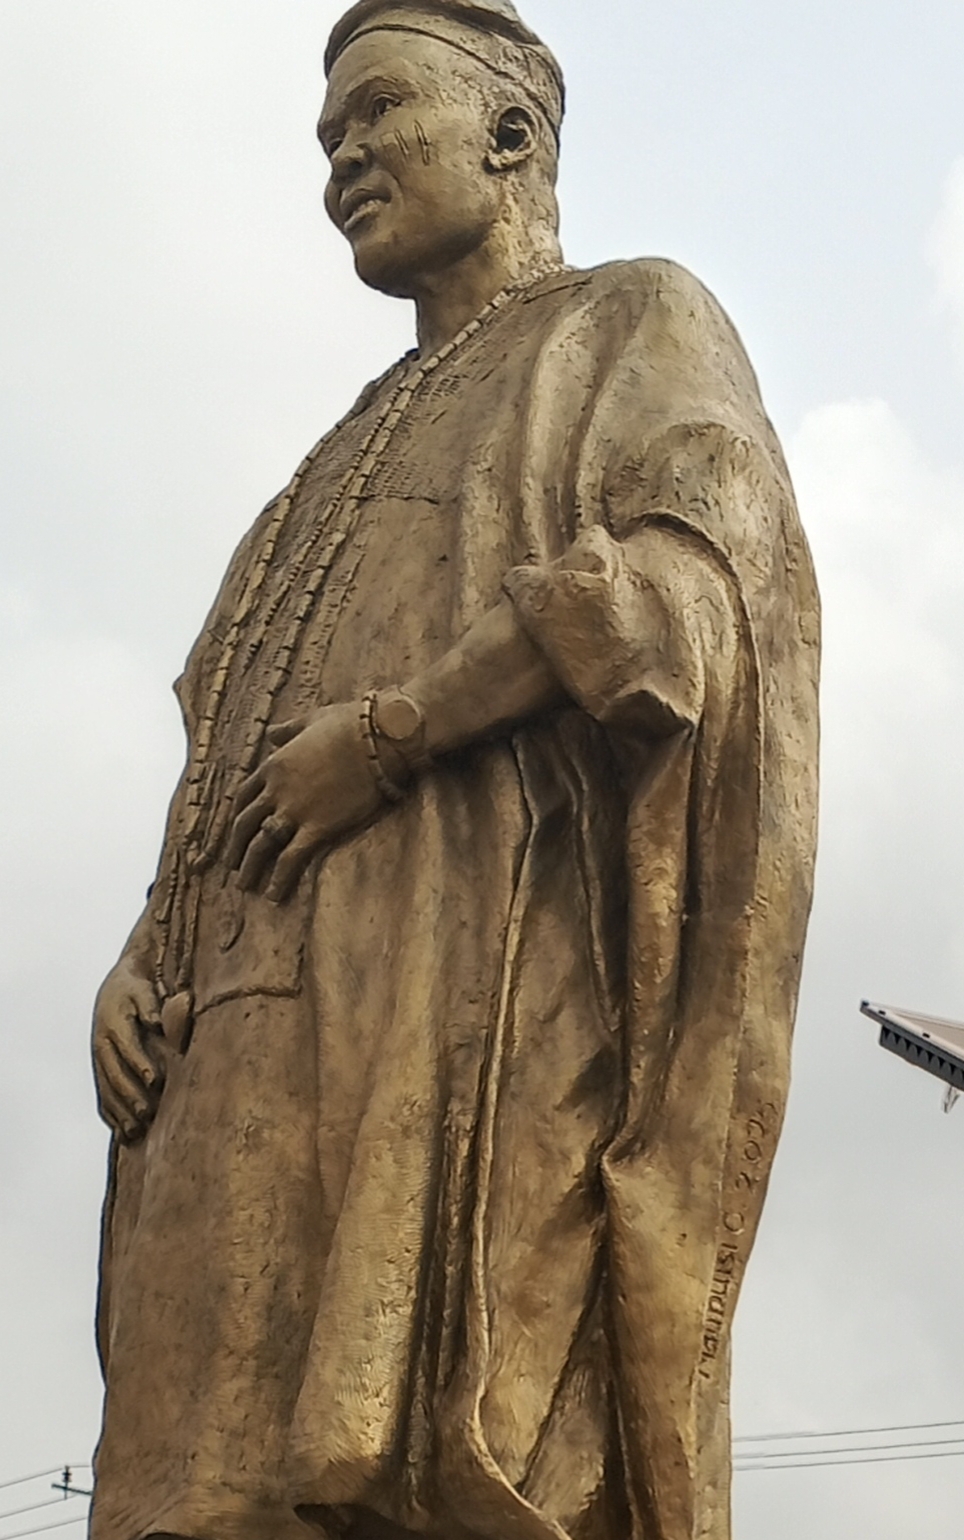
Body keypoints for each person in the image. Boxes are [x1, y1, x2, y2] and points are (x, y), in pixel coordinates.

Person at [89, 4, 820, 1539]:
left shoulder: (631, 321)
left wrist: (398, 732)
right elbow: (219, 751)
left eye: (377, 111)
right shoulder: (318, 470)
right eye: (326, 138)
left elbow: (697, 585)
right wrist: (143, 954)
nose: (343, 157)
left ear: (509, 134)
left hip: (469, 1032)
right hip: (233, 1073)